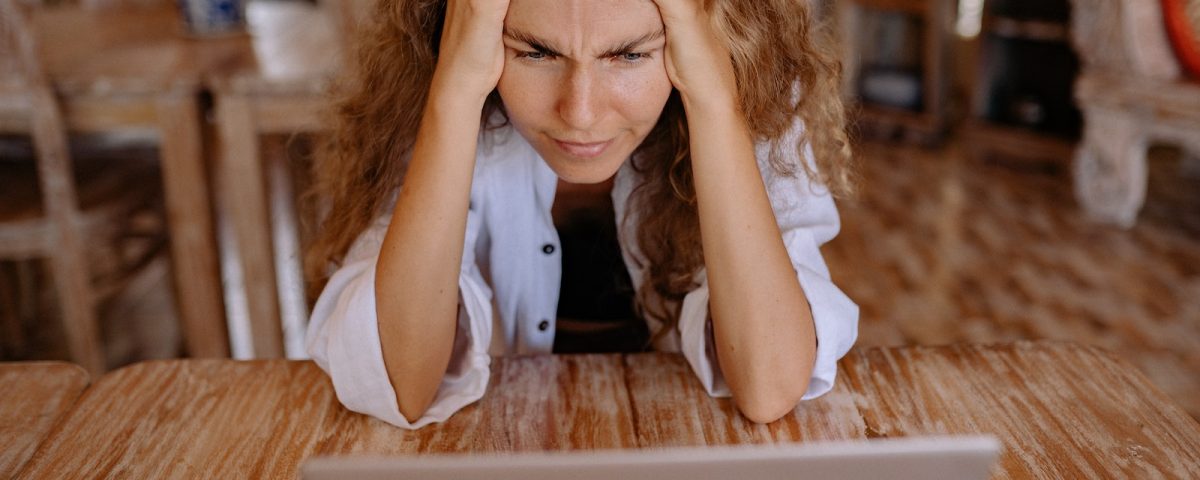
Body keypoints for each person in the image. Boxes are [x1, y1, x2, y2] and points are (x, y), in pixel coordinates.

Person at [304, 0, 859, 429]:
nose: (581, 112)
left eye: (630, 54)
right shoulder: (429, 96)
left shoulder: (755, 100)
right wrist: (453, 92)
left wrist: (713, 100)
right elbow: (401, 384)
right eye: (536, 53)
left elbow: (770, 386)